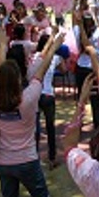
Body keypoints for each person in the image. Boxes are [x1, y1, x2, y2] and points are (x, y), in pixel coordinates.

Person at [0, 32, 65, 197]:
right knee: (41, 196)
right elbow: (42, 68)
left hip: (3, 161)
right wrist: (55, 46)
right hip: (26, 159)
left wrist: (1, 44)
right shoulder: (29, 97)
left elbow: (1, 71)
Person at [34, 34, 67, 170]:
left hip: (35, 93)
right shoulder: (55, 57)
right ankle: (52, 157)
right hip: (48, 94)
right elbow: (64, 70)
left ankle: (34, 157)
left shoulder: (35, 57)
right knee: (50, 128)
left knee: (35, 128)